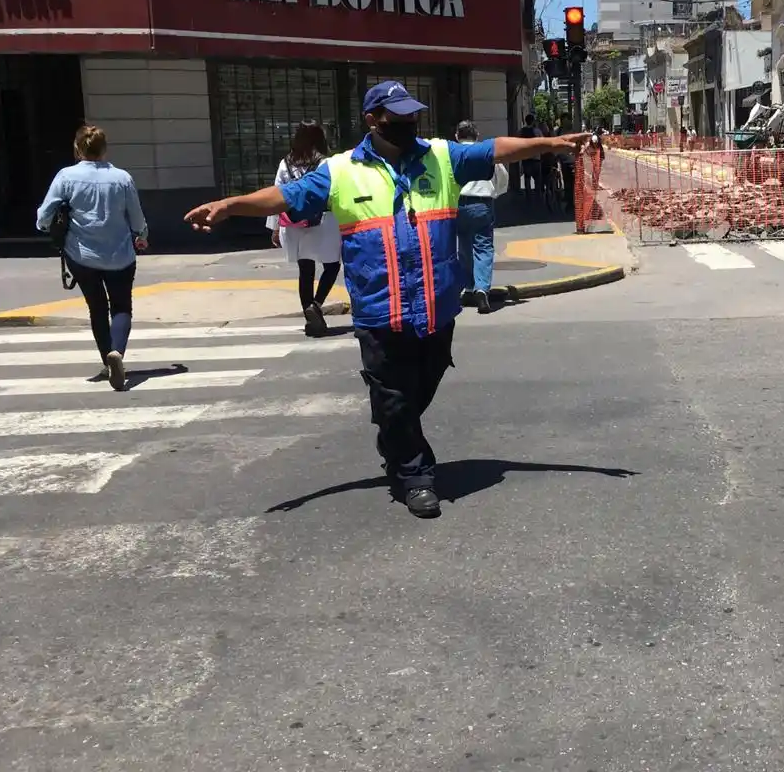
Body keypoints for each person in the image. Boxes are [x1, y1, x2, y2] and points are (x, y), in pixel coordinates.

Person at [183, 81, 589, 519]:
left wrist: (551, 143)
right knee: (394, 398)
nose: (408, 123)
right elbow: (285, 196)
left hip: (435, 309)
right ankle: (416, 477)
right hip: (380, 311)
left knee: (417, 391)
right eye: (398, 117)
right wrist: (230, 205)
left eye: (412, 116)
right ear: (372, 120)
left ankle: (394, 437)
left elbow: (496, 150)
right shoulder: (340, 171)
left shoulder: (441, 156)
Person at [36, 124, 148, 391]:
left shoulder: (66, 176)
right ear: (104, 149)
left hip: (82, 255)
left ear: (78, 148)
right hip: (120, 254)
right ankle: (117, 352)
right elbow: (136, 218)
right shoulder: (122, 178)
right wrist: (142, 234)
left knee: (97, 308)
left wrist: (45, 226)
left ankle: (107, 362)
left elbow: (45, 215)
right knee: (121, 306)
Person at [267, 121, 342, 336]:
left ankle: (310, 317)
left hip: (294, 223)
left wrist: (275, 227)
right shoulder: (326, 163)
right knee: (332, 266)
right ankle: (316, 305)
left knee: (306, 271)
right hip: (323, 221)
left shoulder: (286, 163)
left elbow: (277, 195)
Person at [454, 120, 508, 314]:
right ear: (477, 136)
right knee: (483, 246)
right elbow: (502, 177)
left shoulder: (451, 153)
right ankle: (482, 289)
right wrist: (496, 192)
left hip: (458, 203)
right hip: (482, 203)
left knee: (463, 246)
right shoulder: (485, 152)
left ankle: (468, 287)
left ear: (457, 136)